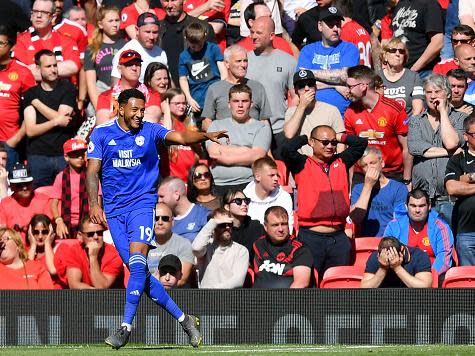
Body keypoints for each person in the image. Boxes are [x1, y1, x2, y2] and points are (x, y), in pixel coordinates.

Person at [87, 88, 227, 348]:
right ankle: (186, 319)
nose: (140, 114)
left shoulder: (151, 130)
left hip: (142, 205)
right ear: (119, 108)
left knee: (139, 266)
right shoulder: (102, 134)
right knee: (140, 273)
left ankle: (125, 327)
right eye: (135, 109)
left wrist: (204, 134)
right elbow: (92, 172)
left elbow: (182, 135)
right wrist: (94, 204)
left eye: (142, 109)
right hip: (115, 212)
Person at [281, 125, 367, 276]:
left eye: (333, 143)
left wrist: (340, 137)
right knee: (311, 285)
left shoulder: (342, 161)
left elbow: (361, 143)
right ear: (312, 142)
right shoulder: (301, 163)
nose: (330, 146)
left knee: (337, 284)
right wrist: (304, 139)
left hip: (339, 237)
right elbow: (286, 150)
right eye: (325, 142)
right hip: (311, 238)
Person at [408, 74, 466, 226]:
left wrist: (443, 112)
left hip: (450, 198)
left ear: (447, 94)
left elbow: (452, 142)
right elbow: (416, 149)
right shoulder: (416, 121)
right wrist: (449, 153)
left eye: (437, 91)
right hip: (423, 199)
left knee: (453, 240)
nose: (433, 96)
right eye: (428, 92)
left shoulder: (460, 118)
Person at [344, 65, 412, 184]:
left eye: (350, 87)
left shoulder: (394, 109)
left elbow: (407, 147)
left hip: (391, 173)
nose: (347, 91)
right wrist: (349, 182)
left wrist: (407, 180)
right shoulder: (350, 111)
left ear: (363, 86)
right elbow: (351, 150)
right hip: (361, 174)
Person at [23, 49, 77, 188]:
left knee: (66, 198)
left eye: (55, 65)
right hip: (38, 156)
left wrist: (37, 104)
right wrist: (55, 122)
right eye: (48, 66)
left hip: (62, 155)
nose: (53, 70)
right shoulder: (30, 93)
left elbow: (63, 119)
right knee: (40, 199)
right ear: (38, 68)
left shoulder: (68, 88)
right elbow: (30, 130)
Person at [246, 16, 297, 159]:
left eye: (259, 33)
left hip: (280, 130)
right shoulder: (244, 61)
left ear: (272, 35)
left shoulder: (288, 61)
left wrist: (290, 123)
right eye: (252, 32)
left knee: (283, 175)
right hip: (252, 130)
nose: (254, 36)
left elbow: (295, 97)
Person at [206, 84, 272, 195]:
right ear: (229, 104)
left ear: (251, 104)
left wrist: (225, 154)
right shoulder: (215, 126)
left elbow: (258, 156)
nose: (240, 105)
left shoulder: (262, 127)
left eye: (244, 101)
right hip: (218, 185)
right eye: (235, 101)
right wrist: (246, 150)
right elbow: (214, 153)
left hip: (249, 184)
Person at [296, 5, 359, 116]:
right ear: (320, 26)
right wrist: (335, 85)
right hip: (312, 114)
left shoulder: (350, 48)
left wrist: (311, 73)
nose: (335, 29)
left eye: (338, 25)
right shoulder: (308, 50)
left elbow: (344, 76)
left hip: (342, 115)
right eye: (331, 25)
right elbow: (302, 83)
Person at [384, 189, 453, 279]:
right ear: (406, 206)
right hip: (400, 278)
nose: (417, 210)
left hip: (432, 278)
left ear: (429, 206)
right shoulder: (393, 226)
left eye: (421, 206)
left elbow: (444, 257)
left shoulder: (441, 227)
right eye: (413, 206)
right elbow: (386, 253)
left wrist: (427, 279)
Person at [201, 44, 271, 131]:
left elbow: (265, 122)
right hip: (225, 141)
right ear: (227, 64)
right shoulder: (215, 89)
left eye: (245, 61)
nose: (243, 65)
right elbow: (206, 122)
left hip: (252, 141)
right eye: (238, 61)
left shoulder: (258, 87)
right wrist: (222, 139)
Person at [14, 0, 81, 82]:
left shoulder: (66, 40)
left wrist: (38, 70)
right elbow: (21, 73)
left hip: (62, 92)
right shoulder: (20, 41)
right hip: (32, 93)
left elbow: (73, 67)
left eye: (44, 12)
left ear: (53, 17)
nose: (38, 15)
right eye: (35, 11)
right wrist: (57, 70)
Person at [53, 214, 124, 289]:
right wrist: (92, 294)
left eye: (99, 233)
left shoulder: (114, 254)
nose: (96, 237)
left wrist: (93, 257)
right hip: (82, 297)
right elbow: (74, 284)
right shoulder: (74, 250)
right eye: (90, 234)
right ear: (80, 236)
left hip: (112, 298)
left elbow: (102, 287)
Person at [283, 69, 344, 157]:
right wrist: (302, 106)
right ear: (296, 91)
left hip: (327, 164)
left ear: (315, 87)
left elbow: (340, 142)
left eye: (310, 84)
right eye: (301, 86)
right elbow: (289, 134)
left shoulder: (331, 110)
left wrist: (339, 164)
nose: (307, 89)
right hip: (303, 165)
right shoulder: (291, 112)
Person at [0, 26, 36, 171]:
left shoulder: (23, 72)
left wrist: (14, 141)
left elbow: (32, 110)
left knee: (8, 188)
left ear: (12, 46)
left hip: (8, 143)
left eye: (1, 43)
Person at [350, 147, 407, 237]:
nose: (369, 167)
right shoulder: (358, 189)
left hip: (391, 240)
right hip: (366, 241)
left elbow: (400, 221)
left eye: (372, 163)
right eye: (364, 165)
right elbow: (356, 218)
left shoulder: (398, 188)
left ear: (382, 163)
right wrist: (368, 186)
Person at [158, 0, 216, 86]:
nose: (169, 5)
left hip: (195, 89)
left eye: (174, 0)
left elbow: (212, 64)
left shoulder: (203, 28)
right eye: (166, 1)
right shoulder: (156, 30)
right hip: (165, 89)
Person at [252, 206, 313, 288]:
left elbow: (301, 283)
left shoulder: (299, 249)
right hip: (257, 298)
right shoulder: (258, 245)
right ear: (266, 227)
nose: (280, 229)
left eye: (284, 224)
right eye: (275, 225)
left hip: (287, 298)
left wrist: (283, 300)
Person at [96, 50, 161, 124]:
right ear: (119, 69)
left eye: (137, 65)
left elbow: (152, 119)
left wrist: (119, 120)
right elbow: (102, 124)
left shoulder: (151, 94)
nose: (134, 68)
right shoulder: (105, 96)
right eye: (129, 64)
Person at [178, 22, 226, 119]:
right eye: (193, 46)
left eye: (199, 45)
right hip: (198, 101)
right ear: (186, 39)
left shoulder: (213, 48)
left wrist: (221, 91)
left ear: (204, 37)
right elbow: (182, 78)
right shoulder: (184, 56)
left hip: (215, 96)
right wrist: (188, 98)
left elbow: (224, 72)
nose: (196, 49)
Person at [192, 208, 249, 288]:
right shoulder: (206, 247)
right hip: (204, 298)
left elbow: (237, 282)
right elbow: (196, 248)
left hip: (228, 298)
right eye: (222, 224)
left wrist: (213, 292)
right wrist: (213, 222)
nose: (227, 228)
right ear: (212, 227)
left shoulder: (241, 250)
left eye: (230, 224)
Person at [445, 115, 475, 266]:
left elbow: (459, 183)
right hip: (467, 232)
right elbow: (451, 187)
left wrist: (465, 179)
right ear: (466, 136)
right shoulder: (458, 159)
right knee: (468, 280)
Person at [84, 5, 125, 112]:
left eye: (117, 20)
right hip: (100, 93)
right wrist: (99, 108)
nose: (115, 24)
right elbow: (91, 84)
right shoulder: (92, 49)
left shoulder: (126, 45)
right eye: (110, 21)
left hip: (122, 94)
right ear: (100, 24)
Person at [0, 163, 52, 244]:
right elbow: (2, 232)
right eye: (19, 185)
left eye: (27, 183)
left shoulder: (44, 200)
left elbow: (49, 230)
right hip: (16, 250)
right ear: (12, 186)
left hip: (41, 247)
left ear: (32, 182)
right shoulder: (5, 203)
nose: (24, 188)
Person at [390, 0, 444, 77]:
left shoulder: (430, 4)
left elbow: (438, 42)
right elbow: (394, 36)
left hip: (421, 73)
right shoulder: (401, 3)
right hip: (399, 72)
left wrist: (414, 69)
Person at [111, 12, 168, 84]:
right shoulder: (125, 53)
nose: (151, 37)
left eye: (155, 32)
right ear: (137, 30)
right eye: (147, 32)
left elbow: (168, 82)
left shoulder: (161, 53)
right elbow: (115, 86)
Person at [50, 138, 90, 239]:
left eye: (82, 154)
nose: (80, 157)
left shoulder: (91, 176)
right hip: (65, 222)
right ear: (66, 157)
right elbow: (53, 204)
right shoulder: (61, 177)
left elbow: (97, 201)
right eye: (76, 155)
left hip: (86, 220)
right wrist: (58, 220)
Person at [147, 203, 194, 286]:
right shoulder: (142, 244)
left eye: (165, 218)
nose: (160, 222)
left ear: (172, 222)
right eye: (156, 218)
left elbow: (181, 279)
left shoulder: (184, 244)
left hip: (176, 294)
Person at [159, 88, 201, 182]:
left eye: (184, 103)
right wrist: (166, 112)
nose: (182, 106)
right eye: (177, 103)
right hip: (172, 179)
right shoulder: (163, 123)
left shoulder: (188, 124)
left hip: (190, 179)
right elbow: (166, 135)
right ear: (166, 104)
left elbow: (198, 151)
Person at [243, 156, 294, 232]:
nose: (276, 179)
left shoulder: (284, 197)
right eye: (271, 175)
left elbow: (288, 227)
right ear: (258, 177)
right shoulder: (243, 197)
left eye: (277, 175)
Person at [377, 37, 424, 117]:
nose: (397, 54)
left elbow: (417, 109)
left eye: (401, 51)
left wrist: (406, 126)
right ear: (385, 55)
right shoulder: (376, 77)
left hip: (407, 125)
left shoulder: (414, 77)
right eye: (393, 50)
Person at [361, 236, 432, 288]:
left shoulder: (419, 255)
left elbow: (424, 287)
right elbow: (364, 288)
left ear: (402, 250)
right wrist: (382, 268)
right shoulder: (377, 257)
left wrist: (397, 268)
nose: (390, 261)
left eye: (393, 256)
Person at [158, 176, 211, 241]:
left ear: (176, 195)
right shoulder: (162, 219)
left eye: (162, 196)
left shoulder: (204, 215)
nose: (159, 200)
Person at [223, 189, 266, 261]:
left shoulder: (256, 227)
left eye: (246, 201)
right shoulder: (221, 229)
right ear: (227, 207)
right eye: (238, 201)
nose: (244, 204)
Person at [25, 214, 57, 282]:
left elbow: (53, 270)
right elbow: (25, 273)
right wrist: (33, 245)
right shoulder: (25, 251)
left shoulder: (59, 249)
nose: (40, 236)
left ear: (51, 232)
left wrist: (47, 244)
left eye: (45, 232)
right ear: (30, 233)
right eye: (36, 232)